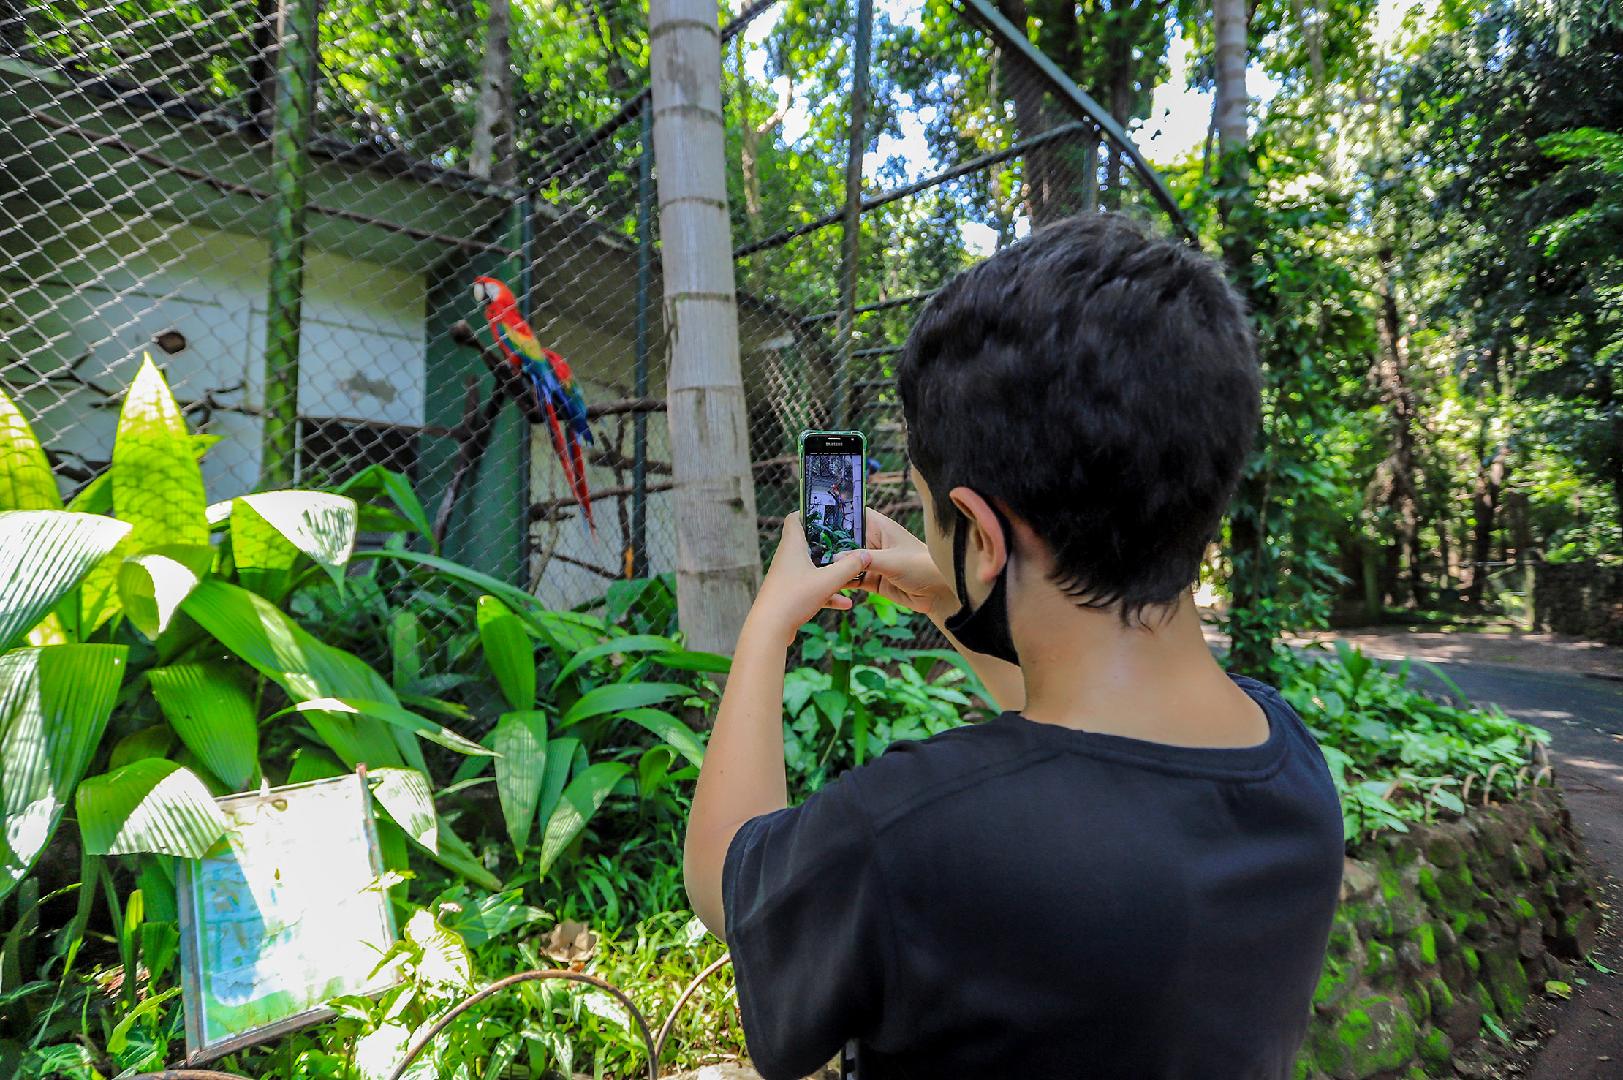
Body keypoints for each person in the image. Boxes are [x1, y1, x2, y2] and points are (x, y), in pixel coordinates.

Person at [683, 213, 1344, 1079]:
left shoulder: (915, 829)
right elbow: (1082, 756)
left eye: (926, 506)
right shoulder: (1291, 768)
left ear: (983, 537)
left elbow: (727, 881)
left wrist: (768, 624)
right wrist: (952, 597)